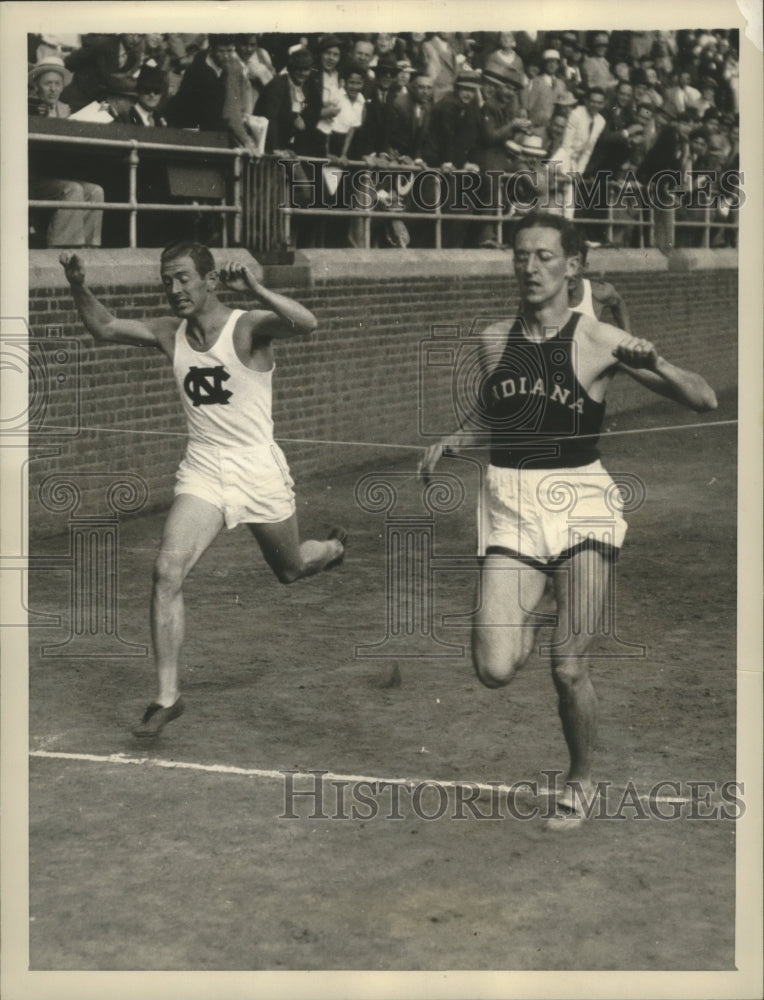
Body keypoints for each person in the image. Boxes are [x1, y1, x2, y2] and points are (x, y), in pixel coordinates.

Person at [418, 212, 716, 824]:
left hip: (581, 506)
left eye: (545, 256)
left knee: (568, 665)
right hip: (510, 505)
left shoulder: (598, 338)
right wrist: (454, 439)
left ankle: (580, 779)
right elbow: (495, 411)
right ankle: (541, 601)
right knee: (494, 669)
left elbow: (703, 398)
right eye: (521, 256)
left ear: (572, 265)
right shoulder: (494, 339)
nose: (530, 267)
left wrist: (656, 361)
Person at [59, 244, 347, 737]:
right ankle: (166, 697)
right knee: (166, 570)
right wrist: (77, 285)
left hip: (257, 468)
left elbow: (307, 324)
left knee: (291, 569)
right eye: (166, 281)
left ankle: (333, 549)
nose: (174, 289)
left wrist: (255, 288)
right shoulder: (168, 332)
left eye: (183, 278)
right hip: (204, 469)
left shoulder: (247, 326)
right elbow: (104, 327)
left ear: (210, 280)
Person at [568, 242, 631, 330]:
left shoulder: (597, 293)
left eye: (576, 267)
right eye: (566, 266)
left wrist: (627, 334)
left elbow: (618, 303)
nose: (570, 274)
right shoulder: (548, 295)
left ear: (585, 267)